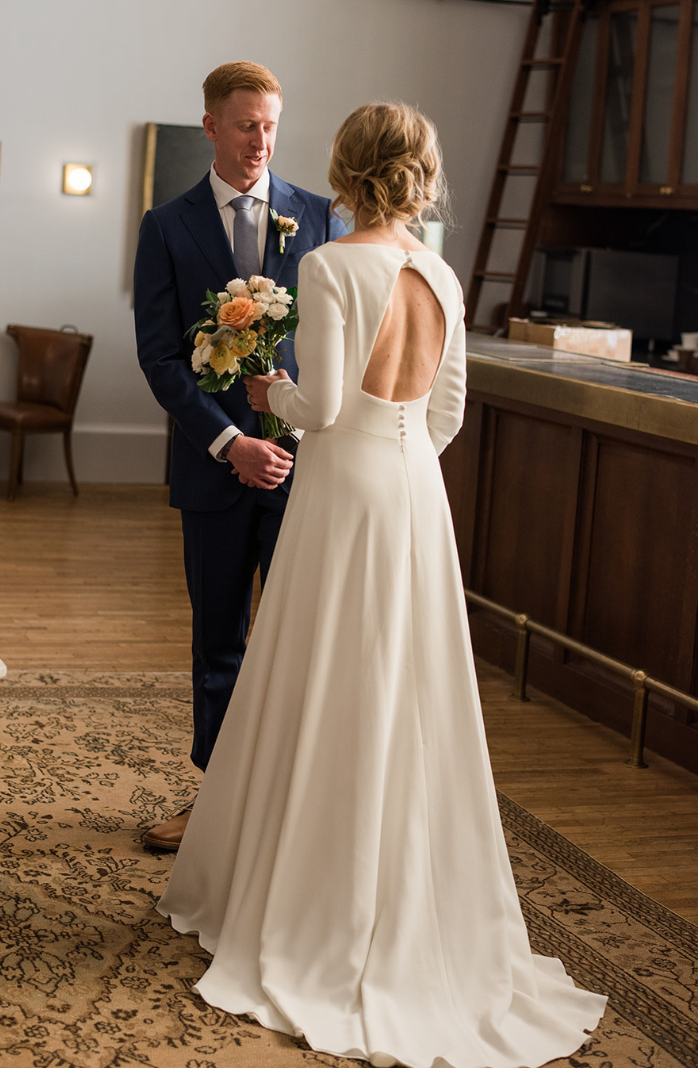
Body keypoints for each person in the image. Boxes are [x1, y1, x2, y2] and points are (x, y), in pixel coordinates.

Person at [157, 103, 607, 1067]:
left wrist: (266, 390)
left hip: (345, 485)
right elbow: (445, 412)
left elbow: (318, 404)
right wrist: (395, 447)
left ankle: (299, 885)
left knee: (317, 669)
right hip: (413, 489)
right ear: (418, 176)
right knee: (405, 682)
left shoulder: (327, 265)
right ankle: (401, 880)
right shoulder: (440, 272)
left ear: (344, 171)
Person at [134, 61, 347, 851]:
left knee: (299, 643)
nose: (260, 140)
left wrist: (295, 420)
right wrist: (230, 443)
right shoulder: (166, 226)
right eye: (246, 124)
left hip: (306, 469)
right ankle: (215, 803)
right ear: (211, 128)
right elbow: (158, 357)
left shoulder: (321, 217)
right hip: (213, 468)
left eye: (270, 125)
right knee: (218, 639)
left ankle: (294, 807)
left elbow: (344, 345)